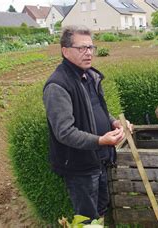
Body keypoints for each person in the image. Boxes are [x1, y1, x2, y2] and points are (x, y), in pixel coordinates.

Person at [43, 25, 130, 221]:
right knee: (86, 217)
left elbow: (98, 110)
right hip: (79, 166)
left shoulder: (90, 76)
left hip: (99, 160)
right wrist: (101, 140)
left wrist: (114, 122)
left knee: (101, 207)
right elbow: (64, 132)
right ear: (65, 51)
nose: (89, 53)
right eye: (81, 48)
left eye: (91, 47)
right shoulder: (58, 85)